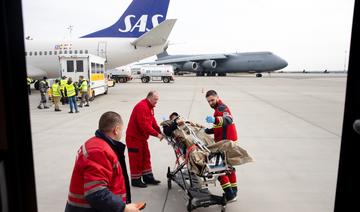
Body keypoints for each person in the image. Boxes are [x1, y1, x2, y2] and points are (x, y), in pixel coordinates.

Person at [65, 111, 141, 212]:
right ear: (116, 130)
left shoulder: (97, 144)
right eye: (122, 130)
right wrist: (123, 208)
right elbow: (96, 193)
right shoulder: (99, 151)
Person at [205, 90, 238, 202]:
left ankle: (230, 194)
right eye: (208, 101)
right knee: (229, 167)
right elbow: (220, 127)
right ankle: (234, 192)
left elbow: (228, 120)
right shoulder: (217, 109)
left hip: (226, 143)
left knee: (218, 168)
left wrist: (215, 119)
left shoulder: (222, 108)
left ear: (218, 98)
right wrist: (208, 130)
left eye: (212, 100)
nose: (211, 103)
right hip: (225, 141)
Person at [126, 91, 163, 188]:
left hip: (141, 138)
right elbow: (144, 126)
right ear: (149, 98)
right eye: (155, 99)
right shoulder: (142, 107)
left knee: (146, 157)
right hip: (134, 138)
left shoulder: (150, 108)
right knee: (136, 159)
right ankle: (136, 180)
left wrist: (160, 130)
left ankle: (148, 177)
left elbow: (152, 121)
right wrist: (157, 135)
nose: (156, 102)